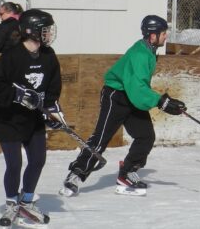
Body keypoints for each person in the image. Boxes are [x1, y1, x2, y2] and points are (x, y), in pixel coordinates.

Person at [61, 15, 187, 196]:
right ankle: (76, 175)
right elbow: (137, 87)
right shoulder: (140, 54)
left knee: (145, 136)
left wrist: (165, 102)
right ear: (153, 35)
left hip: (132, 96)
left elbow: (138, 88)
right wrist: (161, 102)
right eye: (163, 33)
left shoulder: (149, 50)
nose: (165, 36)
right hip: (116, 96)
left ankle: (127, 172)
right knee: (101, 138)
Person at [0, 9, 62, 228]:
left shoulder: (49, 55)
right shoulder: (11, 56)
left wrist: (52, 110)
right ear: (32, 31)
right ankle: (12, 203)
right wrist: (18, 96)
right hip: (8, 119)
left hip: (33, 119)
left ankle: (26, 201)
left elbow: (53, 88)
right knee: (15, 163)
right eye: (45, 29)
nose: (49, 33)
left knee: (38, 159)